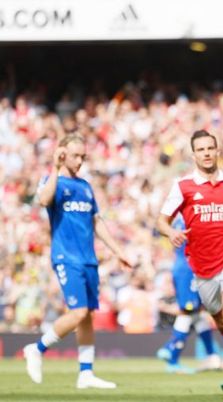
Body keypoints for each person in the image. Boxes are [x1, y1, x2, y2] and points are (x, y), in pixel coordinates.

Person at [23, 134, 132, 389]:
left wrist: (118, 251)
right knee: (78, 312)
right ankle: (37, 348)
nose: (80, 160)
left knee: (86, 317)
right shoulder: (53, 182)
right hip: (66, 257)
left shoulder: (85, 186)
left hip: (88, 259)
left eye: (83, 156)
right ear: (62, 153)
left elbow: (96, 222)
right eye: (75, 155)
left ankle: (85, 373)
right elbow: (43, 200)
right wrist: (54, 166)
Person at [156, 129, 223, 393]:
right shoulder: (183, 186)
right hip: (202, 267)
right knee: (221, 319)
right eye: (201, 149)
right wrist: (171, 231)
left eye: (211, 148)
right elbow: (160, 221)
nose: (207, 153)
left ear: (217, 150)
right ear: (194, 154)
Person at [155, 216, 222, 374]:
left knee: (197, 313)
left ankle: (211, 356)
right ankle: (171, 351)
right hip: (189, 267)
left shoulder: (181, 217)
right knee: (189, 310)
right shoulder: (192, 217)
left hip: (185, 265)